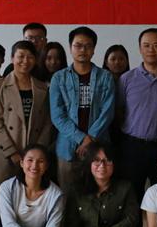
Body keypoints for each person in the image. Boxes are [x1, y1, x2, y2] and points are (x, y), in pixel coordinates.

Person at [116, 28, 157, 201]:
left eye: (156, 45)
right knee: (132, 194)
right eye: (146, 45)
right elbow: (119, 111)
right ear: (140, 48)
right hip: (132, 146)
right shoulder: (127, 79)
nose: (151, 50)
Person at [49, 26, 115, 192]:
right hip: (67, 147)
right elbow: (57, 115)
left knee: (98, 192)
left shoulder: (105, 77)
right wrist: (81, 138)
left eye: (88, 46)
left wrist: (89, 140)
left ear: (94, 49)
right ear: (70, 47)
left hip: (99, 146)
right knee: (67, 194)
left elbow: (107, 113)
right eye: (78, 45)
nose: (83, 50)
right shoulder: (59, 78)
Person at [0, 40, 53, 185]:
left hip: (33, 155)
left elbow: (47, 123)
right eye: (21, 56)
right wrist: (12, 152)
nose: (25, 61)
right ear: (12, 58)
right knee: (3, 191)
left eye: (30, 57)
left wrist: (36, 152)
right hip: (5, 152)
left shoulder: (42, 88)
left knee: (31, 191)